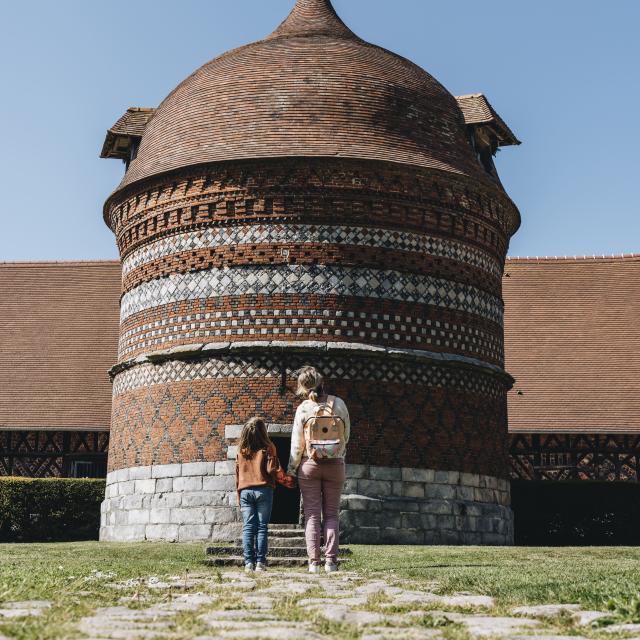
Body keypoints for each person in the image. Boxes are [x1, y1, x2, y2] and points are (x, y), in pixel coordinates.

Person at [287, 366, 350, 574]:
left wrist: (292, 469)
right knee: (332, 514)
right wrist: (336, 453)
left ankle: (313, 562)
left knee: (312, 515)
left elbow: (297, 445)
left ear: (303, 388)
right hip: (335, 464)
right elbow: (346, 434)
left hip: (309, 465)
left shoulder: (304, 409)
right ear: (322, 381)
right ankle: (331, 561)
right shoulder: (339, 404)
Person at [235, 416, 282, 573]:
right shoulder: (268, 448)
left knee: (248, 527)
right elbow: (271, 470)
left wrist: (238, 494)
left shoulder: (241, 452)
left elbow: (237, 475)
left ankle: (248, 563)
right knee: (262, 527)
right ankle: (260, 563)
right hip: (263, 489)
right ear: (263, 432)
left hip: (245, 491)